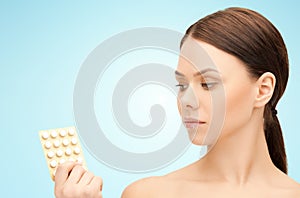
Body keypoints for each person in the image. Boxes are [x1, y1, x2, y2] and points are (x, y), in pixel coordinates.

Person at [54, 7, 300, 198]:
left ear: (263, 90)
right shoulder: (148, 194)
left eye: (207, 84)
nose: (186, 101)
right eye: (182, 85)